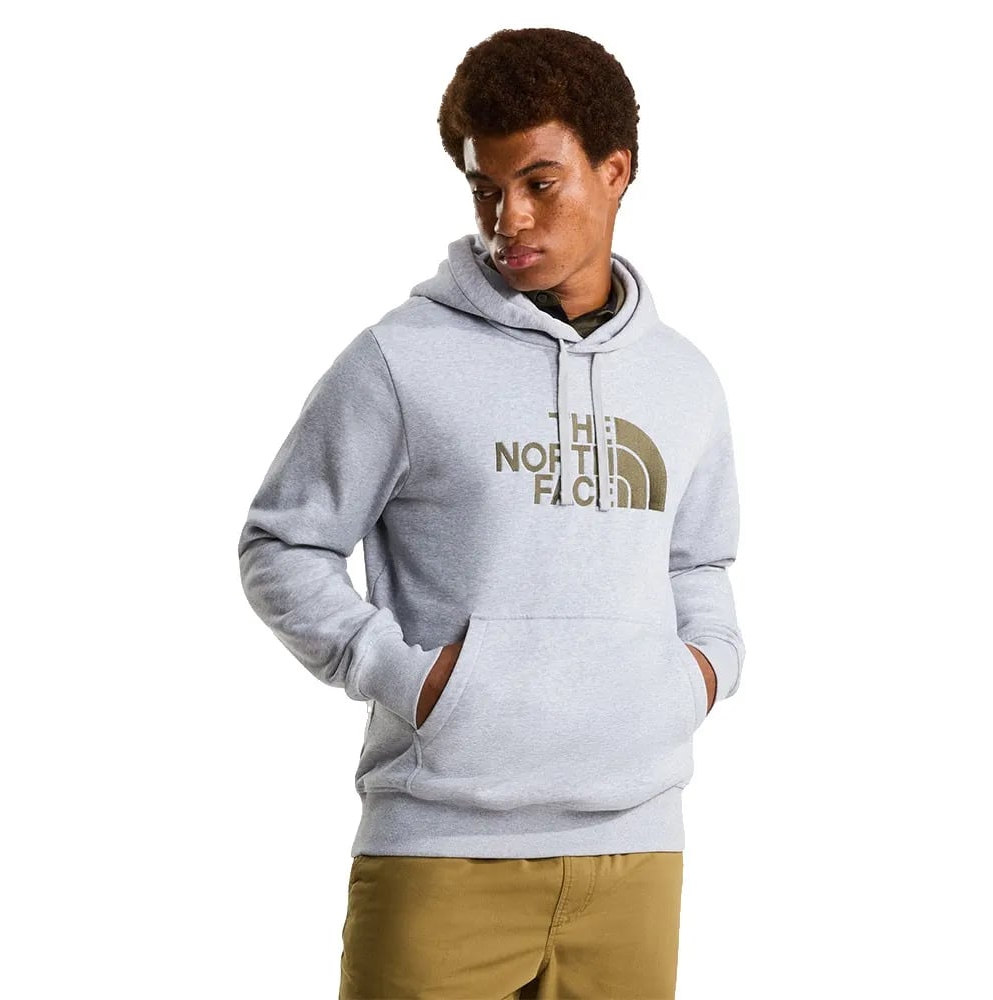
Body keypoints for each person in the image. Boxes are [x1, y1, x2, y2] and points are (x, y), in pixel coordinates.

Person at [238, 26, 745, 1000]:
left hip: (636, 847)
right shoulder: (401, 359)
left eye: (539, 183)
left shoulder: (683, 380)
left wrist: (699, 672)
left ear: (615, 171)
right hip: (441, 848)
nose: (507, 217)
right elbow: (283, 543)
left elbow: (698, 563)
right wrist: (409, 677)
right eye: (485, 187)